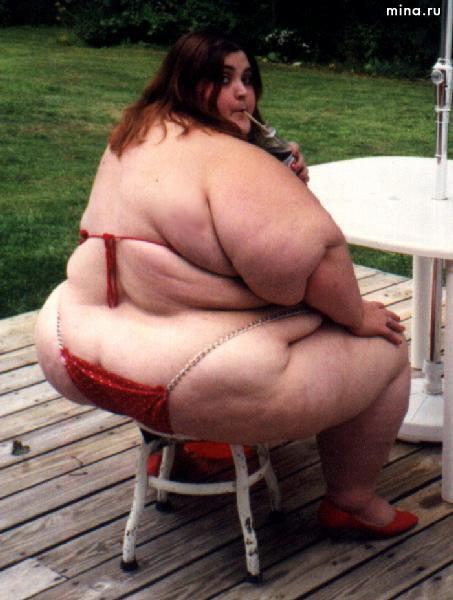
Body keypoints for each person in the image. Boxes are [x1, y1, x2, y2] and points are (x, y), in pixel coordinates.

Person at [35, 30, 417, 537]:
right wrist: (356, 314)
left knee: (209, 314)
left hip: (72, 348)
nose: (242, 93)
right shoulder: (235, 161)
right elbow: (302, 268)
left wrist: (275, 180)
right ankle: (352, 501)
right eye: (222, 79)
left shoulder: (134, 133)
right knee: (387, 347)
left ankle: (190, 447)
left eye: (247, 79)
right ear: (185, 82)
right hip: (185, 381)